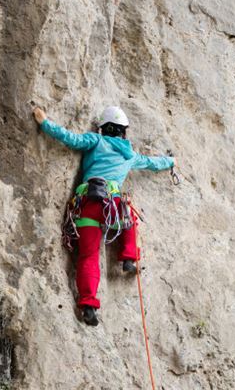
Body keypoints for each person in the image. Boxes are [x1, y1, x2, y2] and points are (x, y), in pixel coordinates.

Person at [33, 106, 175, 326]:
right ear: (123, 132)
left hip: (88, 202)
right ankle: (128, 257)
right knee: (128, 219)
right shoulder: (130, 155)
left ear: (103, 129)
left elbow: (69, 138)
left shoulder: (95, 141)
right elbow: (152, 163)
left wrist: (44, 122)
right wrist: (171, 161)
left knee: (88, 256)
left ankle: (88, 305)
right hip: (113, 205)